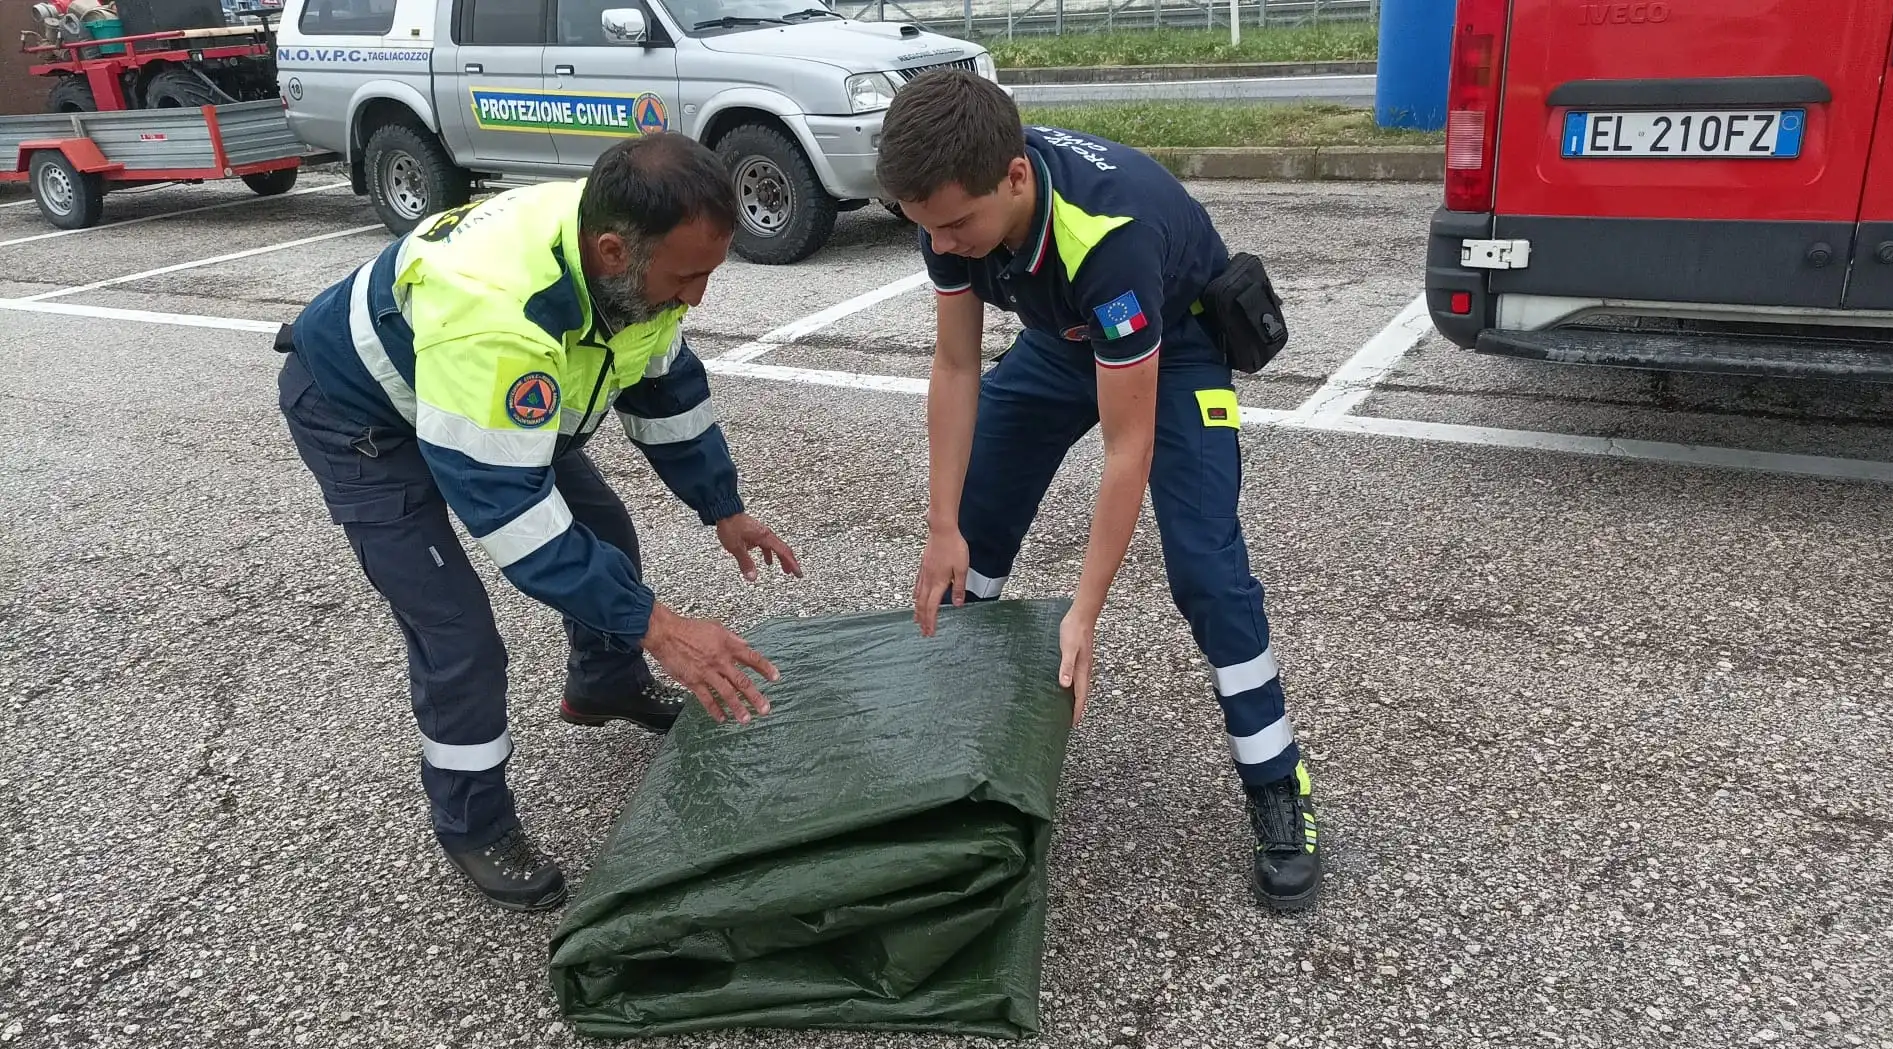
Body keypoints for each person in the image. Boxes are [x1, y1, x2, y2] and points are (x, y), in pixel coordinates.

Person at [273, 133, 799, 912]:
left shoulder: (630, 261)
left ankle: (602, 686)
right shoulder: (499, 320)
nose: (698, 299)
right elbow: (515, 518)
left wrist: (723, 506)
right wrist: (658, 624)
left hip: (476, 398)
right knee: (457, 635)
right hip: (364, 421)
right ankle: (471, 823)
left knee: (606, 532)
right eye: (688, 277)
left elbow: (663, 390)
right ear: (614, 252)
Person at [874, 69, 1322, 912]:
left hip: (1173, 342)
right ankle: (970, 754)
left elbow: (1129, 445)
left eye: (959, 225)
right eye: (928, 228)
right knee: (971, 532)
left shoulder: (1107, 237)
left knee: (1206, 568)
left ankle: (1276, 777)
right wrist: (941, 526)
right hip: (1060, 338)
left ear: (1014, 178)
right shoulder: (947, 208)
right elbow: (956, 364)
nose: (947, 243)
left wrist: (1083, 611)